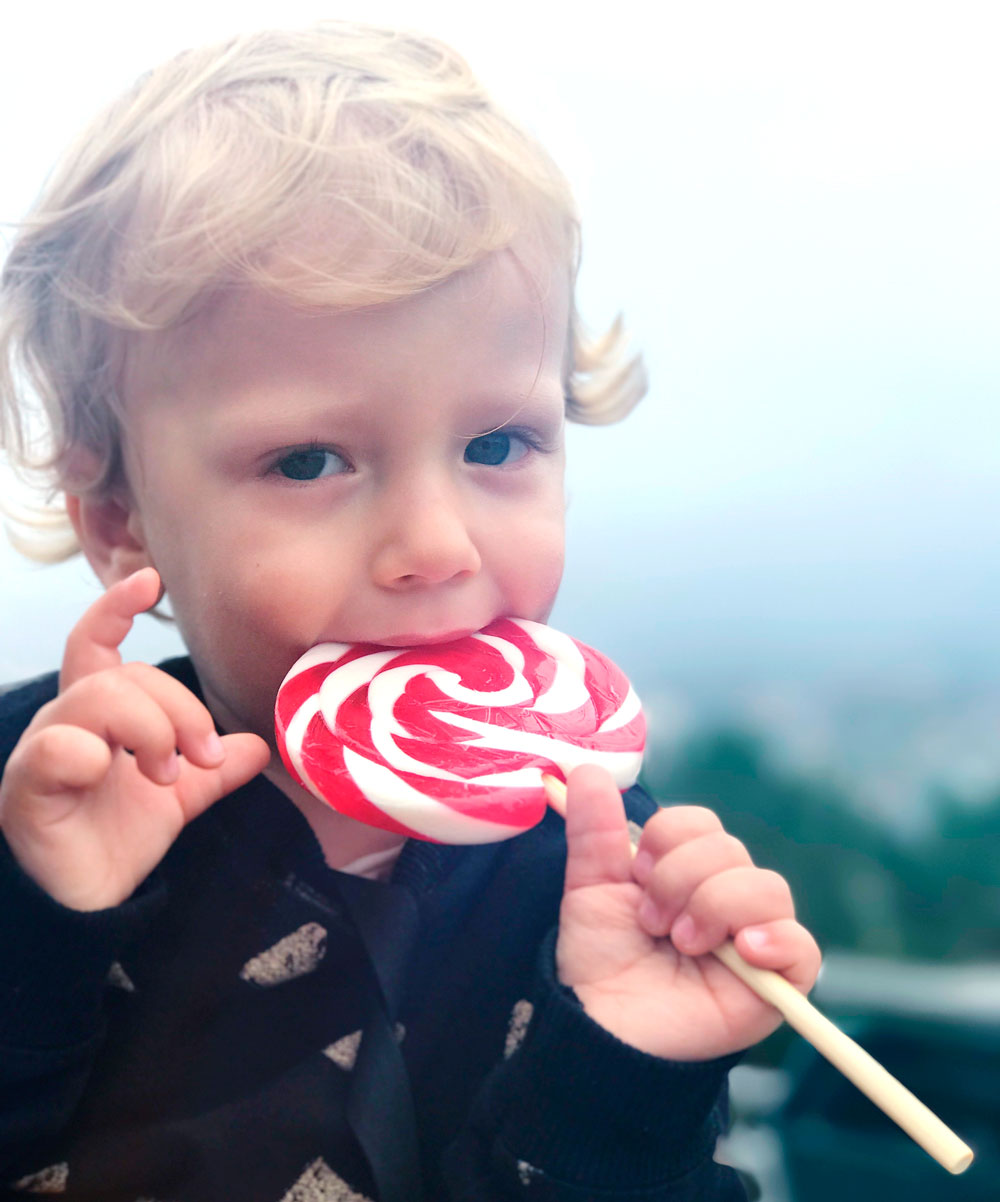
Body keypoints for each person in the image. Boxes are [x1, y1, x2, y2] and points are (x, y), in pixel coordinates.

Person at [0, 22, 821, 1201]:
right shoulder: (30, 795)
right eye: (307, 461)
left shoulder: (599, 867)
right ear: (121, 521)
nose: (436, 546)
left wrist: (627, 1069)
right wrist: (36, 922)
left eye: (496, 443)